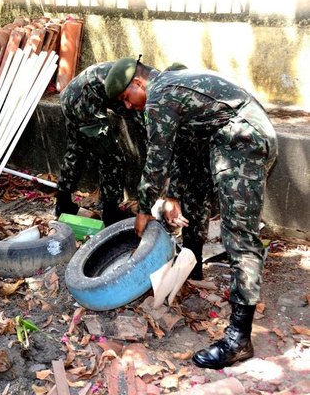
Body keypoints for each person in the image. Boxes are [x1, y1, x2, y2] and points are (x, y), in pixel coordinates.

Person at [104, 57, 277, 369]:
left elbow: (156, 164)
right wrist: (170, 196)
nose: (128, 107)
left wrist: (144, 210)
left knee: (239, 235)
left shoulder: (160, 96)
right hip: (228, 137)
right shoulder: (173, 87)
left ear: (138, 84)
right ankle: (193, 265)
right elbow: (180, 154)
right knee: (193, 188)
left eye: (126, 99)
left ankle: (239, 338)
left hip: (244, 139)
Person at [55, 62, 143, 226]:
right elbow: (134, 110)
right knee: (111, 157)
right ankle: (112, 214)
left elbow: (129, 110)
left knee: (76, 150)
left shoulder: (136, 74)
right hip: (83, 99)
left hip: (71, 94)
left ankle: (63, 203)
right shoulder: (142, 81)